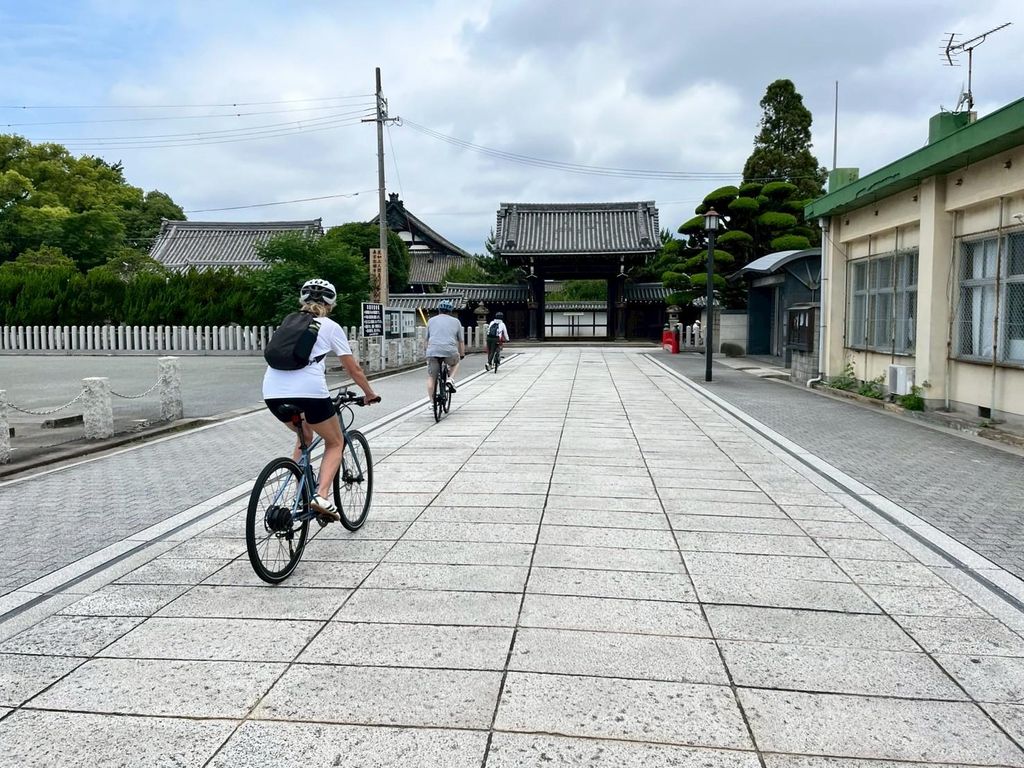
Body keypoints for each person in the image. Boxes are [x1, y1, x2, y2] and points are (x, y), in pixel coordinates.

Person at [263, 278, 378, 522]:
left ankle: (296, 485)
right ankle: (321, 495)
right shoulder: (329, 326)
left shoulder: (287, 323)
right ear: (331, 303)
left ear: (302, 301)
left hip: (272, 392)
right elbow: (353, 369)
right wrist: (369, 393)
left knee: (304, 435)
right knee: (335, 442)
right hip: (310, 393)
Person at [425, 298, 465, 401]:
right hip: (450, 351)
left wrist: (427, 353)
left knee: (431, 377)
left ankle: (432, 402)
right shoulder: (456, 321)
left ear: (439, 310)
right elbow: (461, 341)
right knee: (456, 362)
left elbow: (426, 340)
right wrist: (462, 354)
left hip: (433, 351)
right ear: (450, 311)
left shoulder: (430, 321)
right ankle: (450, 379)